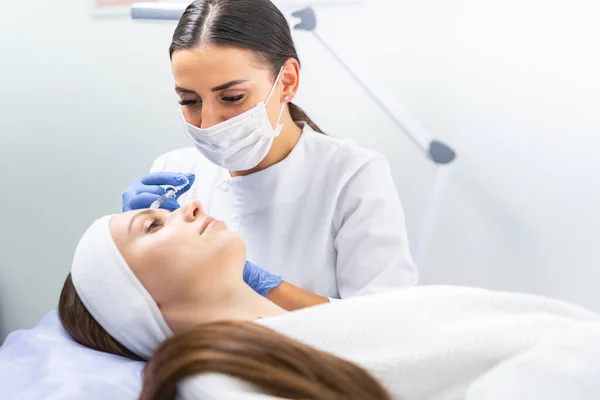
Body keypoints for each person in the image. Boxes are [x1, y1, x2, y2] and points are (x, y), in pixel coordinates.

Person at [59, 201, 600, 400]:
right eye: (153, 224)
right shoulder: (217, 382)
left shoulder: (323, 328)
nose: (191, 207)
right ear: (137, 301)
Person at [121, 0, 418, 309]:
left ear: (287, 81)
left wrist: (251, 280)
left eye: (232, 97)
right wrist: (129, 249)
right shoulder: (173, 173)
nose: (208, 123)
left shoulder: (352, 175)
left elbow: (385, 322)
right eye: (190, 101)